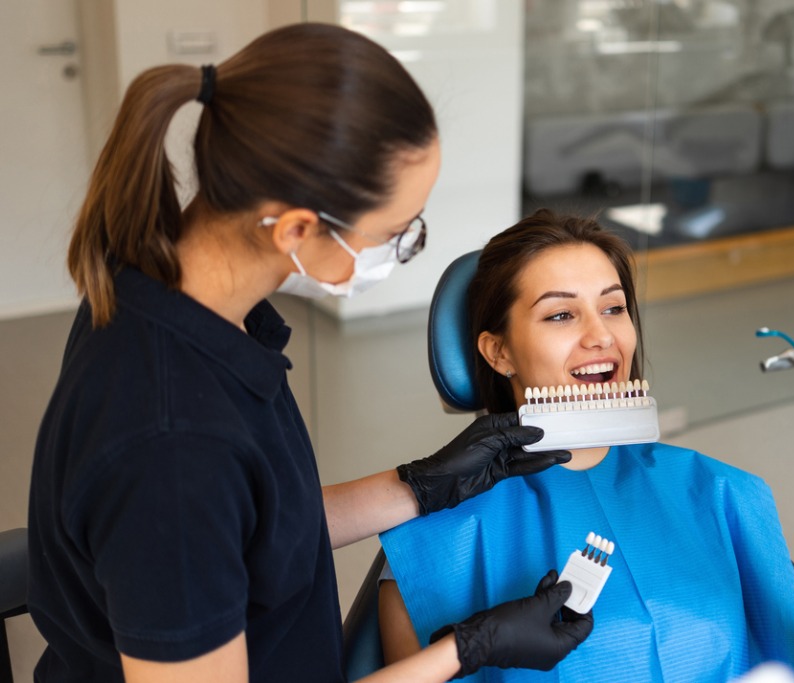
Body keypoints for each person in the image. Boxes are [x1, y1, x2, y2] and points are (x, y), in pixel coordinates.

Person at [26, 24, 592, 683]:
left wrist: (422, 484)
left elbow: (249, 533)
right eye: (394, 233)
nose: (403, 248)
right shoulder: (173, 445)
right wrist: (466, 650)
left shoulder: (167, 292)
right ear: (295, 228)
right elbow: (200, 510)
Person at [377, 209, 794, 682]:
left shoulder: (719, 493)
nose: (601, 336)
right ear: (499, 352)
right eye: (561, 314)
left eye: (613, 308)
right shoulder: (431, 543)